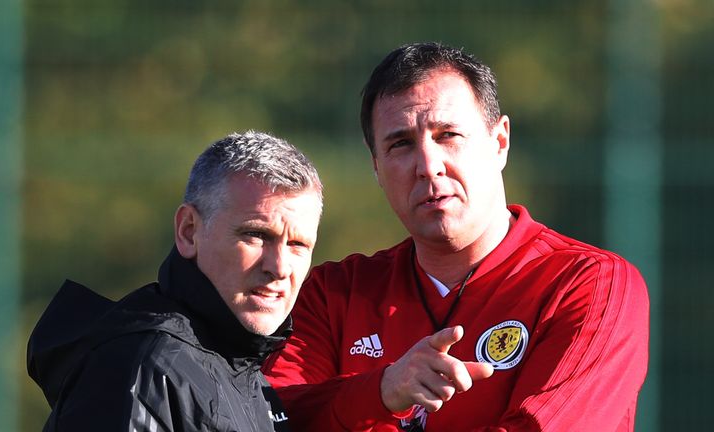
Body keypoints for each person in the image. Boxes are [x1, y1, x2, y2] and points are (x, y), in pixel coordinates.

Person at [263, 42, 649, 431]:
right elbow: (269, 417)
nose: (428, 167)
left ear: (499, 143)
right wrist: (380, 392)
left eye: (447, 135)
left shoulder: (590, 285)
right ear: (376, 167)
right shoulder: (333, 295)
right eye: (401, 144)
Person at [27, 131, 323, 431]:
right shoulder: (144, 369)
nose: (279, 267)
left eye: (298, 245)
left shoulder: (246, 374)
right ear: (188, 231)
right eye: (256, 235)